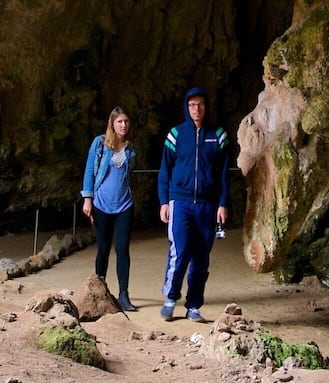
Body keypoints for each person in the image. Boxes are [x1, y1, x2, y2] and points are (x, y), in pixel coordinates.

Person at [156, 87, 231, 322]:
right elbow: (164, 171)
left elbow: (224, 174)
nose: (196, 109)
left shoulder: (218, 135)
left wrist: (223, 203)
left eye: (200, 104)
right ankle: (170, 298)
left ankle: (194, 305)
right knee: (180, 252)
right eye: (191, 105)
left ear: (206, 107)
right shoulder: (176, 135)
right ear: (186, 108)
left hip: (208, 205)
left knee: (201, 258)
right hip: (180, 202)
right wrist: (164, 201)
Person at [81, 107, 140, 311]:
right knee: (103, 249)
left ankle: (124, 295)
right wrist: (87, 198)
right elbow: (90, 170)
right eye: (119, 122)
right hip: (101, 205)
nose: (123, 125)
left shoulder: (131, 147)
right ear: (112, 124)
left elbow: (129, 174)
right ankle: (100, 293)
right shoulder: (100, 144)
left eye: (126, 121)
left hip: (124, 205)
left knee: (123, 249)